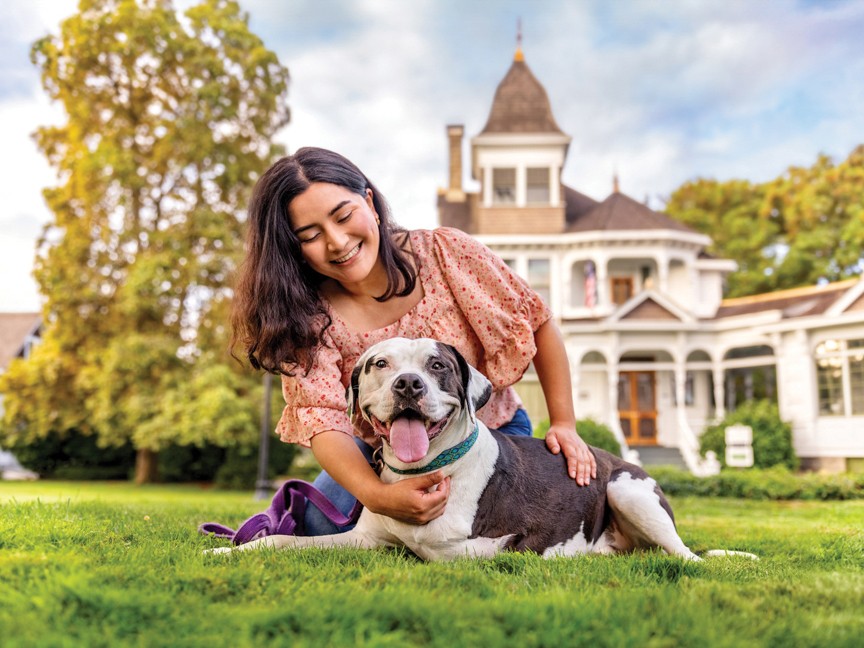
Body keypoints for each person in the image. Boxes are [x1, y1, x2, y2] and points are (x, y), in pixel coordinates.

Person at [231, 147, 597, 535]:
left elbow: (537, 320)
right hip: (379, 453)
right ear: (294, 247)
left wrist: (564, 422)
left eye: (343, 216)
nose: (337, 241)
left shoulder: (446, 254)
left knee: (454, 530)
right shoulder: (305, 315)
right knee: (321, 526)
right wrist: (378, 495)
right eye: (311, 235)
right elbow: (323, 419)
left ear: (369, 203)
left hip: (490, 436)